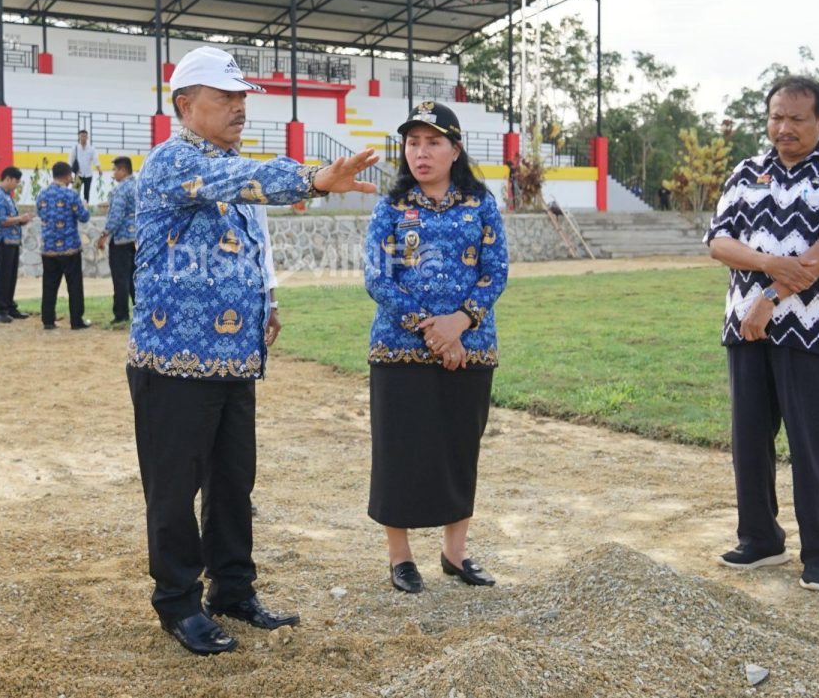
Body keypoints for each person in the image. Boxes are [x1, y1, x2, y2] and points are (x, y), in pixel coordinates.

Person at [127, 46, 379, 655]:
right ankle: (178, 603)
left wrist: (267, 301)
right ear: (185, 105)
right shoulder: (172, 161)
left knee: (233, 481)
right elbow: (240, 184)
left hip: (233, 355)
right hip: (174, 357)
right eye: (226, 97)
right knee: (173, 486)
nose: (240, 107)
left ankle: (232, 591)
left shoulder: (229, 162)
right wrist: (314, 180)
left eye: (242, 97)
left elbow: (253, 237)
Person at [704, 75, 819, 594]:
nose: (785, 128)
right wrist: (772, 263)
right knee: (749, 439)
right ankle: (760, 539)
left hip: (811, 329)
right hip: (744, 326)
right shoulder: (746, 172)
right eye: (777, 117)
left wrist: (771, 297)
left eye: (798, 119)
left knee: (813, 442)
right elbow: (719, 242)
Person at [363, 101, 509, 594]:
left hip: (469, 347)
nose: (420, 153)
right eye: (412, 143)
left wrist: (460, 322)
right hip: (399, 347)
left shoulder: (481, 204)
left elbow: (496, 271)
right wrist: (431, 330)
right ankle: (400, 557)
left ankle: (455, 552)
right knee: (398, 449)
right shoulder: (391, 207)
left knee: (457, 447)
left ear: (455, 149)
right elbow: (377, 278)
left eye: (433, 142)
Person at [36, 161, 90, 329]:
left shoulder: (42, 194)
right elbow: (83, 217)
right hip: (69, 247)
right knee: (74, 285)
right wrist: (86, 207)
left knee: (49, 285)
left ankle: (48, 320)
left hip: (49, 247)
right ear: (68, 175)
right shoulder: (71, 195)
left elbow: (40, 213)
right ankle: (76, 320)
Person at [0, 166, 33, 323]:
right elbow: (0, 220)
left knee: (10, 276)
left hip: (12, 240)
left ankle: (9, 306)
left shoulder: (6, 195)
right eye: (16, 182)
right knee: (2, 275)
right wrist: (20, 219)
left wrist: (21, 221)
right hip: (3, 241)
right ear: (7, 179)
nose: (16, 185)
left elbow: (10, 218)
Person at [95, 155, 138, 324]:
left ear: (123, 170)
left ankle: (121, 314)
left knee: (120, 278)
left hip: (121, 240)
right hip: (137, 239)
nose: (113, 173)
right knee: (136, 278)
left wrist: (104, 235)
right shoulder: (139, 186)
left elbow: (116, 215)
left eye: (114, 169)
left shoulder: (120, 190)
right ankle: (140, 311)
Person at [72, 129, 101, 202]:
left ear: (87, 137)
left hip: (88, 175)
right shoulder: (75, 148)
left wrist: (99, 170)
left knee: (86, 193)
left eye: (85, 136)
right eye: (81, 136)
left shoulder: (91, 149)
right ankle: (75, 208)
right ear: (79, 137)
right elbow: (71, 160)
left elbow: (95, 160)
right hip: (78, 175)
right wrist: (70, 173)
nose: (83, 138)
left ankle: (85, 209)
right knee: (76, 192)